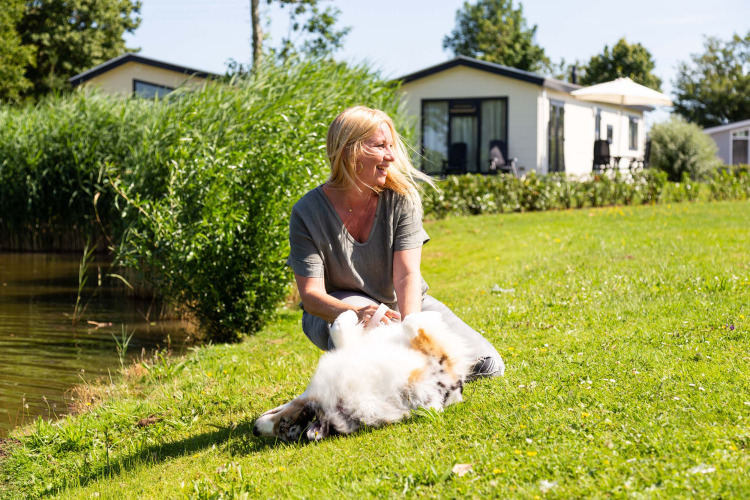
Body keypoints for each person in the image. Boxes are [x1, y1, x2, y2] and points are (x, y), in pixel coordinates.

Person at [287, 106, 504, 379]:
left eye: (391, 145)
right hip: (341, 309)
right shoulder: (307, 212)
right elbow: (312, 297)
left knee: (487, 365)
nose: (391, 156)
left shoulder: (401, 199)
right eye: (380, 146)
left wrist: (412, 329)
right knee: (361, 334)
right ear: (349, 151)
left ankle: (401, 370)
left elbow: (407, 274)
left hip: (401, 305)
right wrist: (359, 311)